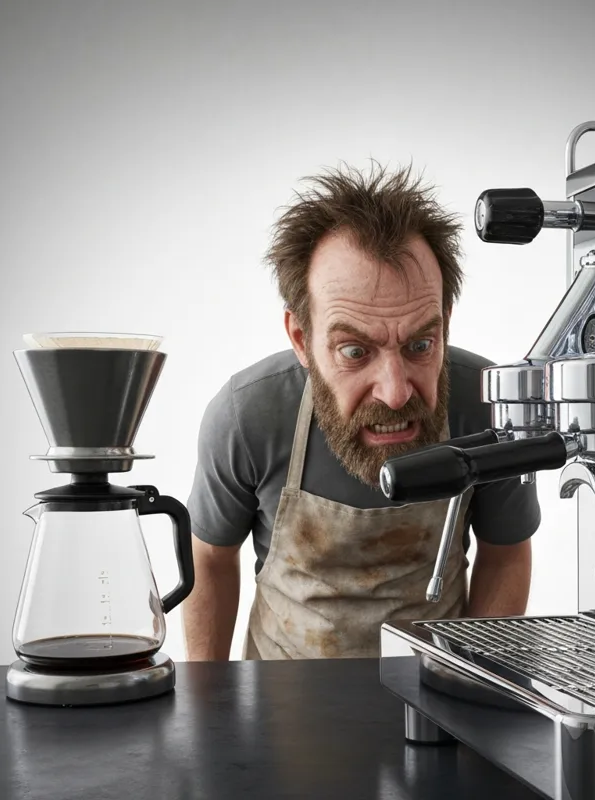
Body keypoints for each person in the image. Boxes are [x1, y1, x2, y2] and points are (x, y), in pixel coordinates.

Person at [182, 163, 541, 660]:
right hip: (279, 695)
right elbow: (211, 559)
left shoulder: (493, 406)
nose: (395, 394)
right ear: (302, 339)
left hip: (435, 689)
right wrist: (208, 696)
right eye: (354, 351)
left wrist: (472, 682)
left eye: (421, 344)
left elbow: (505, 555)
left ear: (445, 322)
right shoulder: (246, 416)